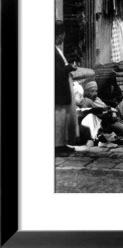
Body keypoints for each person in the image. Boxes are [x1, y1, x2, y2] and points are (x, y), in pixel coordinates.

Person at [55, 20, 79, 154]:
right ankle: (57, 147)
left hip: (63, 89)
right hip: (58, 90)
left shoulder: (57, 50)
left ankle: (62, 144)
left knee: (63, 118)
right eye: (61, 36)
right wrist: (69, 68)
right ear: (58, 36)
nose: (62, 39)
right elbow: (57, 71)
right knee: (58, 119)